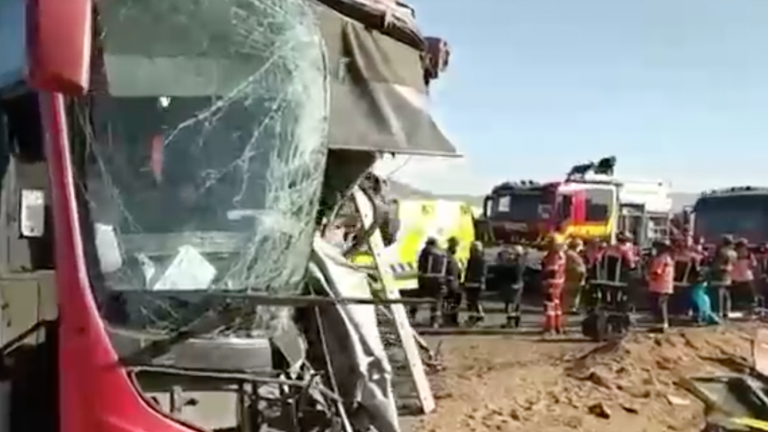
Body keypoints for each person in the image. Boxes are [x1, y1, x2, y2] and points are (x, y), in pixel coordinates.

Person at [414, 237, 448, 328]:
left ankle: (413, 315)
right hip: (440, 279)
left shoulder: (427, 250)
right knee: (437, 300)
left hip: (427, 278)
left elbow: (421, 264)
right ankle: (435, 321)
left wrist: (420, 275)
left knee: (419, 296)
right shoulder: (443, 253)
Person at [542, 234, 567, 335]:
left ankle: (550, 327)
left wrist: (544, 279)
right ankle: (558, 326)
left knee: (549, 306)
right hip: (559, 282)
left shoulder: (553, 256)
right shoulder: (562, 254)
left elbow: (552, 269)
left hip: (551, 283)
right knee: (557, 305)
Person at [647, 240, 674, 331]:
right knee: (662, 305)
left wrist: (649, 278)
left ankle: (661, 323)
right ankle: (662, 323)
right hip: (665, 286)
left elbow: (657, 272)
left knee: (659, 305)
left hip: (660, 286)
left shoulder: (661, 259)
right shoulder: (668, 258)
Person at [497, 245, 526, 328]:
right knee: (516, 305)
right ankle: (517, 321)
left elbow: (508, 270)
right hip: (518, 284)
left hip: (513, 286)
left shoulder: (517, 263)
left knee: (510, 305)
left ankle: (511, 322)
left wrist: (503, 261)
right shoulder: (521, 260)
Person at [711, 235, 737, 318]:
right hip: (728, 274)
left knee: (719, 293)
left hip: (719, 273)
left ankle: (719, 311)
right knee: (725, 293)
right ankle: (726, 311)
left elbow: (716, 264)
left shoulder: (722, 251)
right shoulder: (733, 252)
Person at [463, 241, 487, 326]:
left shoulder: (480, 260)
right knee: (472, 302)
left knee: (474, 302)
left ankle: (476, 316)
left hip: (475, 283)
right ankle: (475, 316)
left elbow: (482, 273)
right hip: (472, 283)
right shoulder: (475, 259)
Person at [731, 238, 758, 316]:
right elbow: (753, 264)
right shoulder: (748, 254)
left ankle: (737, 309)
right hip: (745, 277)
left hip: (736, 277)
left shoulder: (733, 253)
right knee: (749, 296)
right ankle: (748, 310)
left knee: (736, 296)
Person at [443, 236, 462, 327]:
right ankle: (449, 319)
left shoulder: (451, 256)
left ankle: (452, 319)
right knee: (451, 300)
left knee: (455, 300)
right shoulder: (447, 256)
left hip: (454, 282)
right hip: (450, 282)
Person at [564, 238, 587, 313]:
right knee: (572, 293)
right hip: (573, 276)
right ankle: (570, 307)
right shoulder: (571, 255)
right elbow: (576, 266)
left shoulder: (570, 254)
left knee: (572, 293)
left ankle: (570, 307)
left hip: (573, 276)